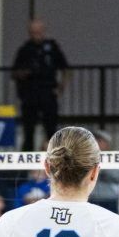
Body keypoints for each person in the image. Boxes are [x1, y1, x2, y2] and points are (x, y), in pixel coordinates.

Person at [11, 19, 69, 151]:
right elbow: (14, 73)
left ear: (43, 32)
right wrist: (25, 73)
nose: (36, 35)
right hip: (30, 93)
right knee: (28, 128)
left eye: (38, 32)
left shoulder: (52, 47)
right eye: (33, 32)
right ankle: (27, 157)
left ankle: (54, 155)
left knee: (51, 127)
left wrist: (61, 88)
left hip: (48, 92)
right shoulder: (25, 49)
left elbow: (65, 68)